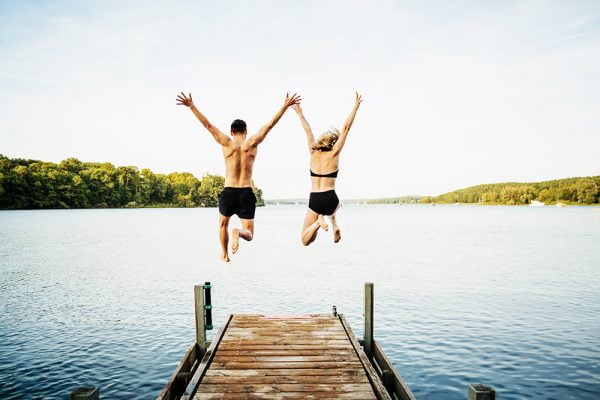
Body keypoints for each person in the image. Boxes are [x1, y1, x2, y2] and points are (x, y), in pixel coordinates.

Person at [176, 92, 301, 262]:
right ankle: (239, 232)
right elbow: (270, 125)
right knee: (249, 234)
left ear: (231, 131)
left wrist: (191, 106)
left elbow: (207, 125)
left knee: (222, 225)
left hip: (229, 192)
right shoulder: (252, 143)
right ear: (246, 131)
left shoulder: (226, 142)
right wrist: (285, 106)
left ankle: (225, 254)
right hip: (246, 192)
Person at [291, 92, 363, 246]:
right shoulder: (335, 153)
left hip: (315, 199)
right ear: (333, 143)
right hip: (331, 199)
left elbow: (308, 130)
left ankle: (318, 223)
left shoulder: (313, 151)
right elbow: (346, 129)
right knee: (337, 204)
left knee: (305, 240)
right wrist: (355, 108)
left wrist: (299, 113)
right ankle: (335, 224)